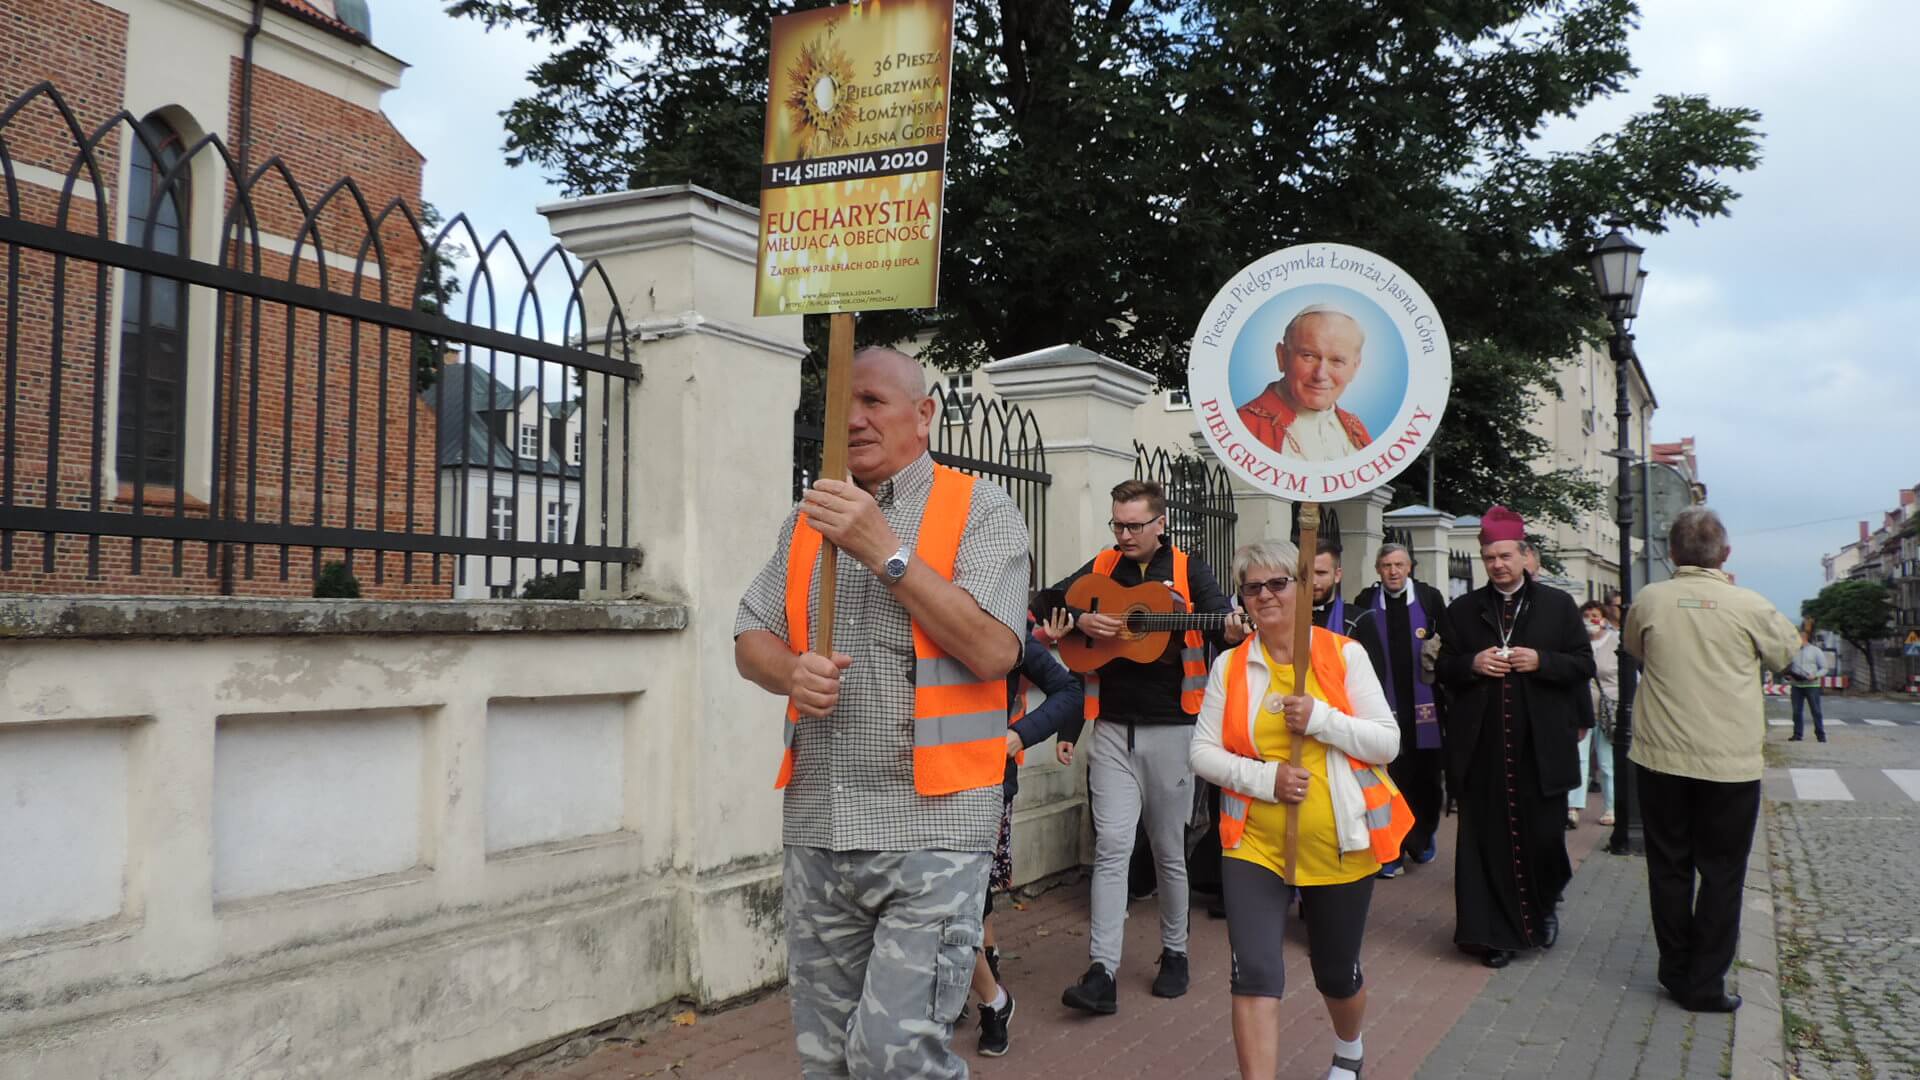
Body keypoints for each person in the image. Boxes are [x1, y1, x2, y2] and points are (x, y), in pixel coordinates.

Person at [733, 347, 1031, 1079]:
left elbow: (995, 650)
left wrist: (884, 551)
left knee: (895, 1060)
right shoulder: (808, 520)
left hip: (932, 825)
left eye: (872, 402)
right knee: (826, 1062)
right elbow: (749, 635)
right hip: (821, 823)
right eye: (843, 409)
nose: (855, 420)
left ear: (923, 416)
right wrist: (789, 671)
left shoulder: (981, 509)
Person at [1190, 538, 1407, 1080]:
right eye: (1252, 586)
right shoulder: (1231, 667)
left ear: (1305, 588)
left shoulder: (1343, 654)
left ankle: (1349, 1047)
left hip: (1340, 842)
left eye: (1278, 583)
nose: (1265, 595)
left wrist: (1320, 719)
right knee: (1255, 973)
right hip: (1254, 843)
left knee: (1335, 973)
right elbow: (1202, 752)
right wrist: (1266, 779)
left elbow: (1386, 743)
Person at [1036, 478, 1243, 1014]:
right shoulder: (1103, 566)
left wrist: (1233, 628)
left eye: (1134, 525)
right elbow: (1044, 599)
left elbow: (1220, 619)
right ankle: (1101, 970)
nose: (1124, 535)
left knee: (1169, 850)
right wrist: (1079, 617)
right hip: (1109, 730)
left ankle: (1175, 953)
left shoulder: (1189, 569)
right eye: (1118, 524)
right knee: (1111, 850)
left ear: (1160, 524)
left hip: (1172, 729)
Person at [1625, 507, 1800, 1014]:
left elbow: (1637, 648)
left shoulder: (1650, 599)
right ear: (1725, 554)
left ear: (1673, 553)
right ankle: (1705, 982)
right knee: (1723, 872)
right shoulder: (1750, 605)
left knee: (1668, 867)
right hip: (1729, 762)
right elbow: (1785, 654)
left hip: (1660, 757)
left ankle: (1674, 967)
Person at [1436, 506, 1594, 969]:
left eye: (1505, 555)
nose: (1498, 565)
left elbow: (1583, 664)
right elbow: (1441, 670)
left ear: (1526, 556)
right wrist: (1472, 665)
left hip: (1539, 749)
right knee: (1487, 845)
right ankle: (1493, 934)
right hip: (1483, 750)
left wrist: (1542, 661)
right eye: (1489, 558)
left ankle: (1543, 908)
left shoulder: (1558, 606)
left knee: (1543, 840)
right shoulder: (1463, 610)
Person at [971, 608, 1082, 1057]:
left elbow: (1070, 690)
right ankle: (988, 990)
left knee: (964, 901)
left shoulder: (1009, 629)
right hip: (924, 782)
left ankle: (991, 999)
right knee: (970, 901)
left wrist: (1019, 735)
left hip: (987, 787)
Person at [1347, 542, 1449, 879]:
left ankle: (1422, 837)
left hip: (1424, 706)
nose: (1393, 571)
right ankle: (1391, 849)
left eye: (1400, 564)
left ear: (1410, 567)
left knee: (1425, 777)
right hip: (1381, 705)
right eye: (1387, 565)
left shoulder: (1429, 599)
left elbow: (1447, 643)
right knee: (1389, 779)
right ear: (1378, 569)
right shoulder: (1365, 602)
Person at [1236, 306, 1373, 461]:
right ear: (1281, 357)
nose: (1320, 374)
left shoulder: (1356, 429)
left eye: (1337, 361)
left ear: (1355, 368)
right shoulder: (1242, 427)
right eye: (1308, 356)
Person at [1573, 600, 1620, 828]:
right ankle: (1573, 808)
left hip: (1608, 711)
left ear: (1603, 618)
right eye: (1587, 615)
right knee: (1579, 759)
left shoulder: (1615, 642)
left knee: (1607, 762)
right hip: (1581, 709)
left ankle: (1611, 807)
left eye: (1595, 614)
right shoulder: (1576, 644)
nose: (1591, 619)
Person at [1786, 630, 1830, 742]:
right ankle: (1797, 734)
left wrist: (1815, 675)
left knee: (1816, 710)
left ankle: (1820, 735)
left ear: (1804, 638)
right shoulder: (1792, 651)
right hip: (1796, 685)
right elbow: (1787, 666)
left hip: (1812, 685)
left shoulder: (1816, 651)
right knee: (1796, 711)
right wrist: (1788, 675)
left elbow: (1824, 668)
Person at [1310, 543, 1352, 633]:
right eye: (1308, 573)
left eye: (1321, 573)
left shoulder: (1357, 620)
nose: (1313, 581)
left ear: (1337, 575)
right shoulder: (1287, 617)